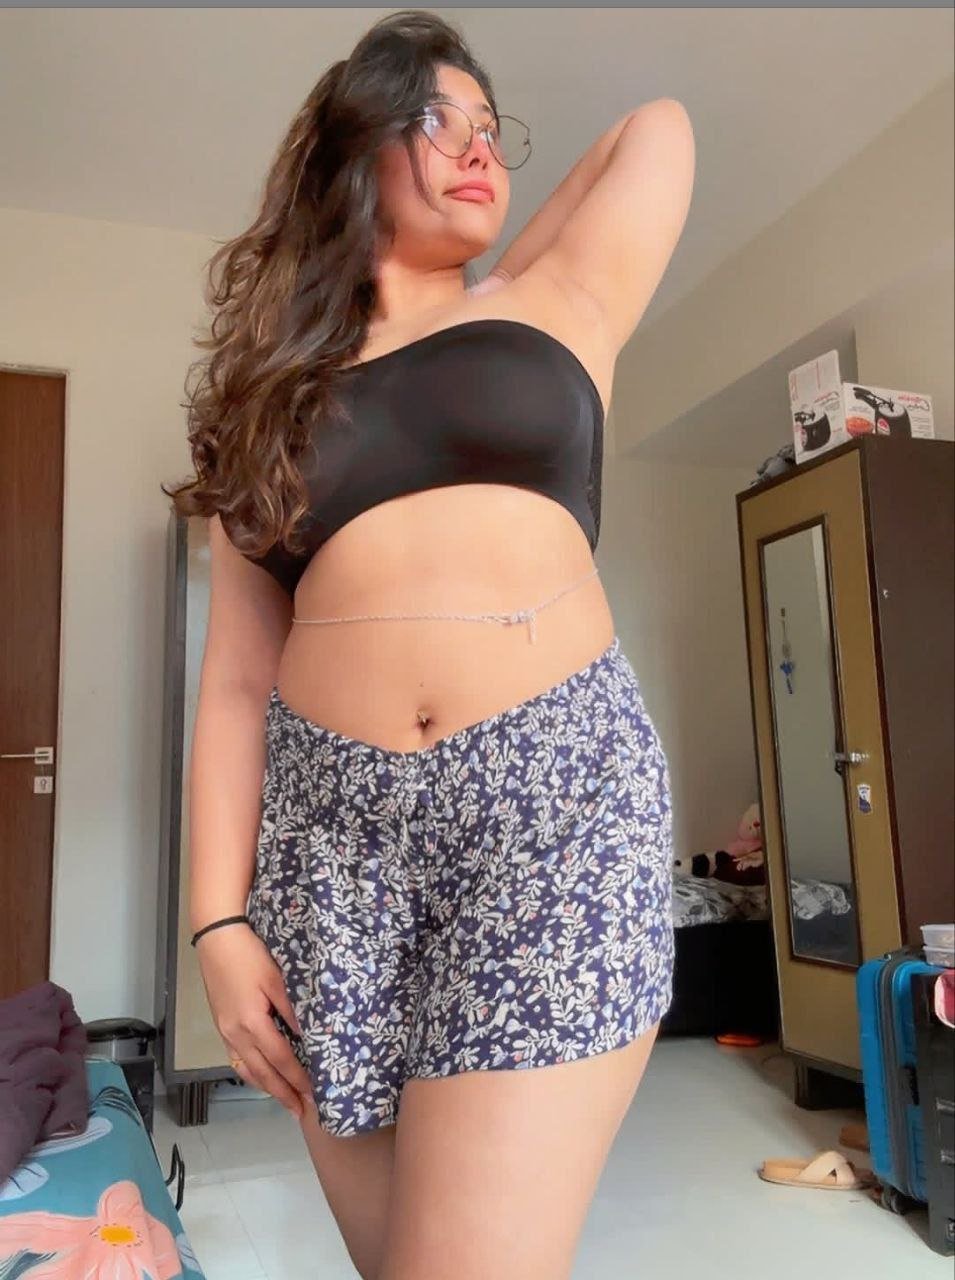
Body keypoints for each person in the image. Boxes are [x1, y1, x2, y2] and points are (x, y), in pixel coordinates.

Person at [163, 10, 695, 1279]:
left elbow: (656, 130)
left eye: (490, 130)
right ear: (353, 152)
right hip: (328, 853)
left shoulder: (555, 302)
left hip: (549, 806)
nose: (478, 150)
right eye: (433, 121)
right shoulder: (268, 403)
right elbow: (235, 682)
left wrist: (491, 244)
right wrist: (217, 923)